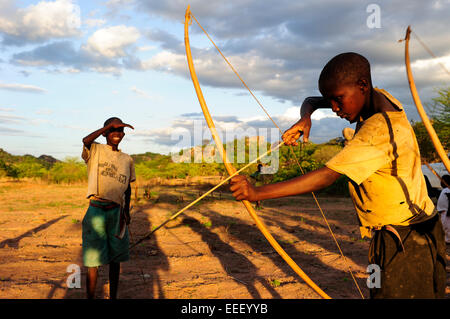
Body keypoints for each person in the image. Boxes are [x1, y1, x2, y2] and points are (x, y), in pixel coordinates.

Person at [230, 52, 446, 299]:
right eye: (331, 100)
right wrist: (305, 117)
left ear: (363, 86)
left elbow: (326, 176)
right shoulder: (378, 97)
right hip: (418, 228)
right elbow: (312, 100)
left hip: (406, 239)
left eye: (338, 100)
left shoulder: (379, 132)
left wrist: (257, 192)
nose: (334, 108)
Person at [81, 117, 135, 299]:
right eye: (112, 130)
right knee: (92, 260)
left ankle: (113, 297)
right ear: (104, 133)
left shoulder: (127, 159)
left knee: (116, 258)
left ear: (123, 135)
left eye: (120, 131)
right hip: (96, 209)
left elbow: (127, 188)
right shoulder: (95, 149)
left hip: (116, 213)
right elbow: (85, 140)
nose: (116, 134)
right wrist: (107, 126)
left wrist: (126, 211)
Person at [436, 175, 450, 244]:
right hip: (444, 212)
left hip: (446, 213)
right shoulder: (446, 190)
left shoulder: (446, 191)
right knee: (446, 228)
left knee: (446, 228)